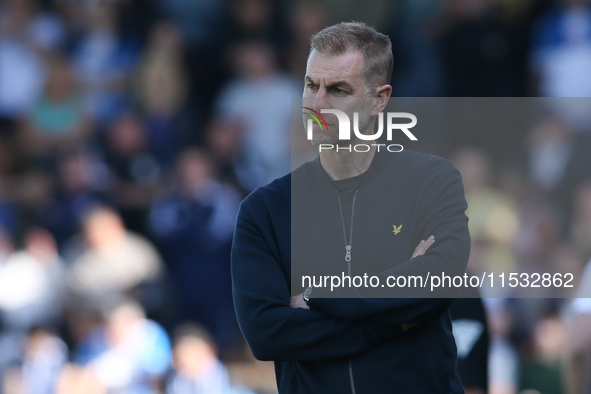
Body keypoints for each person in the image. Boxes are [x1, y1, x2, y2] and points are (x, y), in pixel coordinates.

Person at [231, 21, 470, 393]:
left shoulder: (430, 181)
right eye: (311, 85)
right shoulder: (264, 210)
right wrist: (391, 315)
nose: (317, 103)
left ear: (379, 98)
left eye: (338, 90)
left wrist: (315, 295)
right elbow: (267, 334)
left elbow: (436, 283)